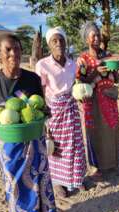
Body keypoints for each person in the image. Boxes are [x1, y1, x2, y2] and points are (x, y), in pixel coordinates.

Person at [0, 34, 57, 212]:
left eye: (17, 48)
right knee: (14, 180)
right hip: (9, 141)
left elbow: (42, 108)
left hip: (34, 137)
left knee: (40, 176)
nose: (14, 52)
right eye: (8, 49)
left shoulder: (32, 78)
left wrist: (47, 114)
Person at [36, 27, 86, 198]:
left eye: (61, 40)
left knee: (75, 145)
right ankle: (58, 183)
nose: (59, 44)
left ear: (66, 42)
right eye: (54, 41)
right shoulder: (42, 64)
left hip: (71, 108)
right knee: (56, 148)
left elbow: (74, 86)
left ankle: (75, 178)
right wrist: (45, 118)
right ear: (49, 44)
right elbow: (41, 92)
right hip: (54, 110)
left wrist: (80, 95)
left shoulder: (72, 64)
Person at [76, 21, 119, 178]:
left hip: (109, 98)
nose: (96, 38)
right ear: (86, 39)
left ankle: (112, 163)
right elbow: (81, 83)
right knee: (95, 133)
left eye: (98, 34)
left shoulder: (107, 55)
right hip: (93, 101)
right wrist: (95, 71)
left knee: (111, 130)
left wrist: (114, 69)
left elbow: (116, 78)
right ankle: (96, 167)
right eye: (93, 35)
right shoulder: (83, 59)